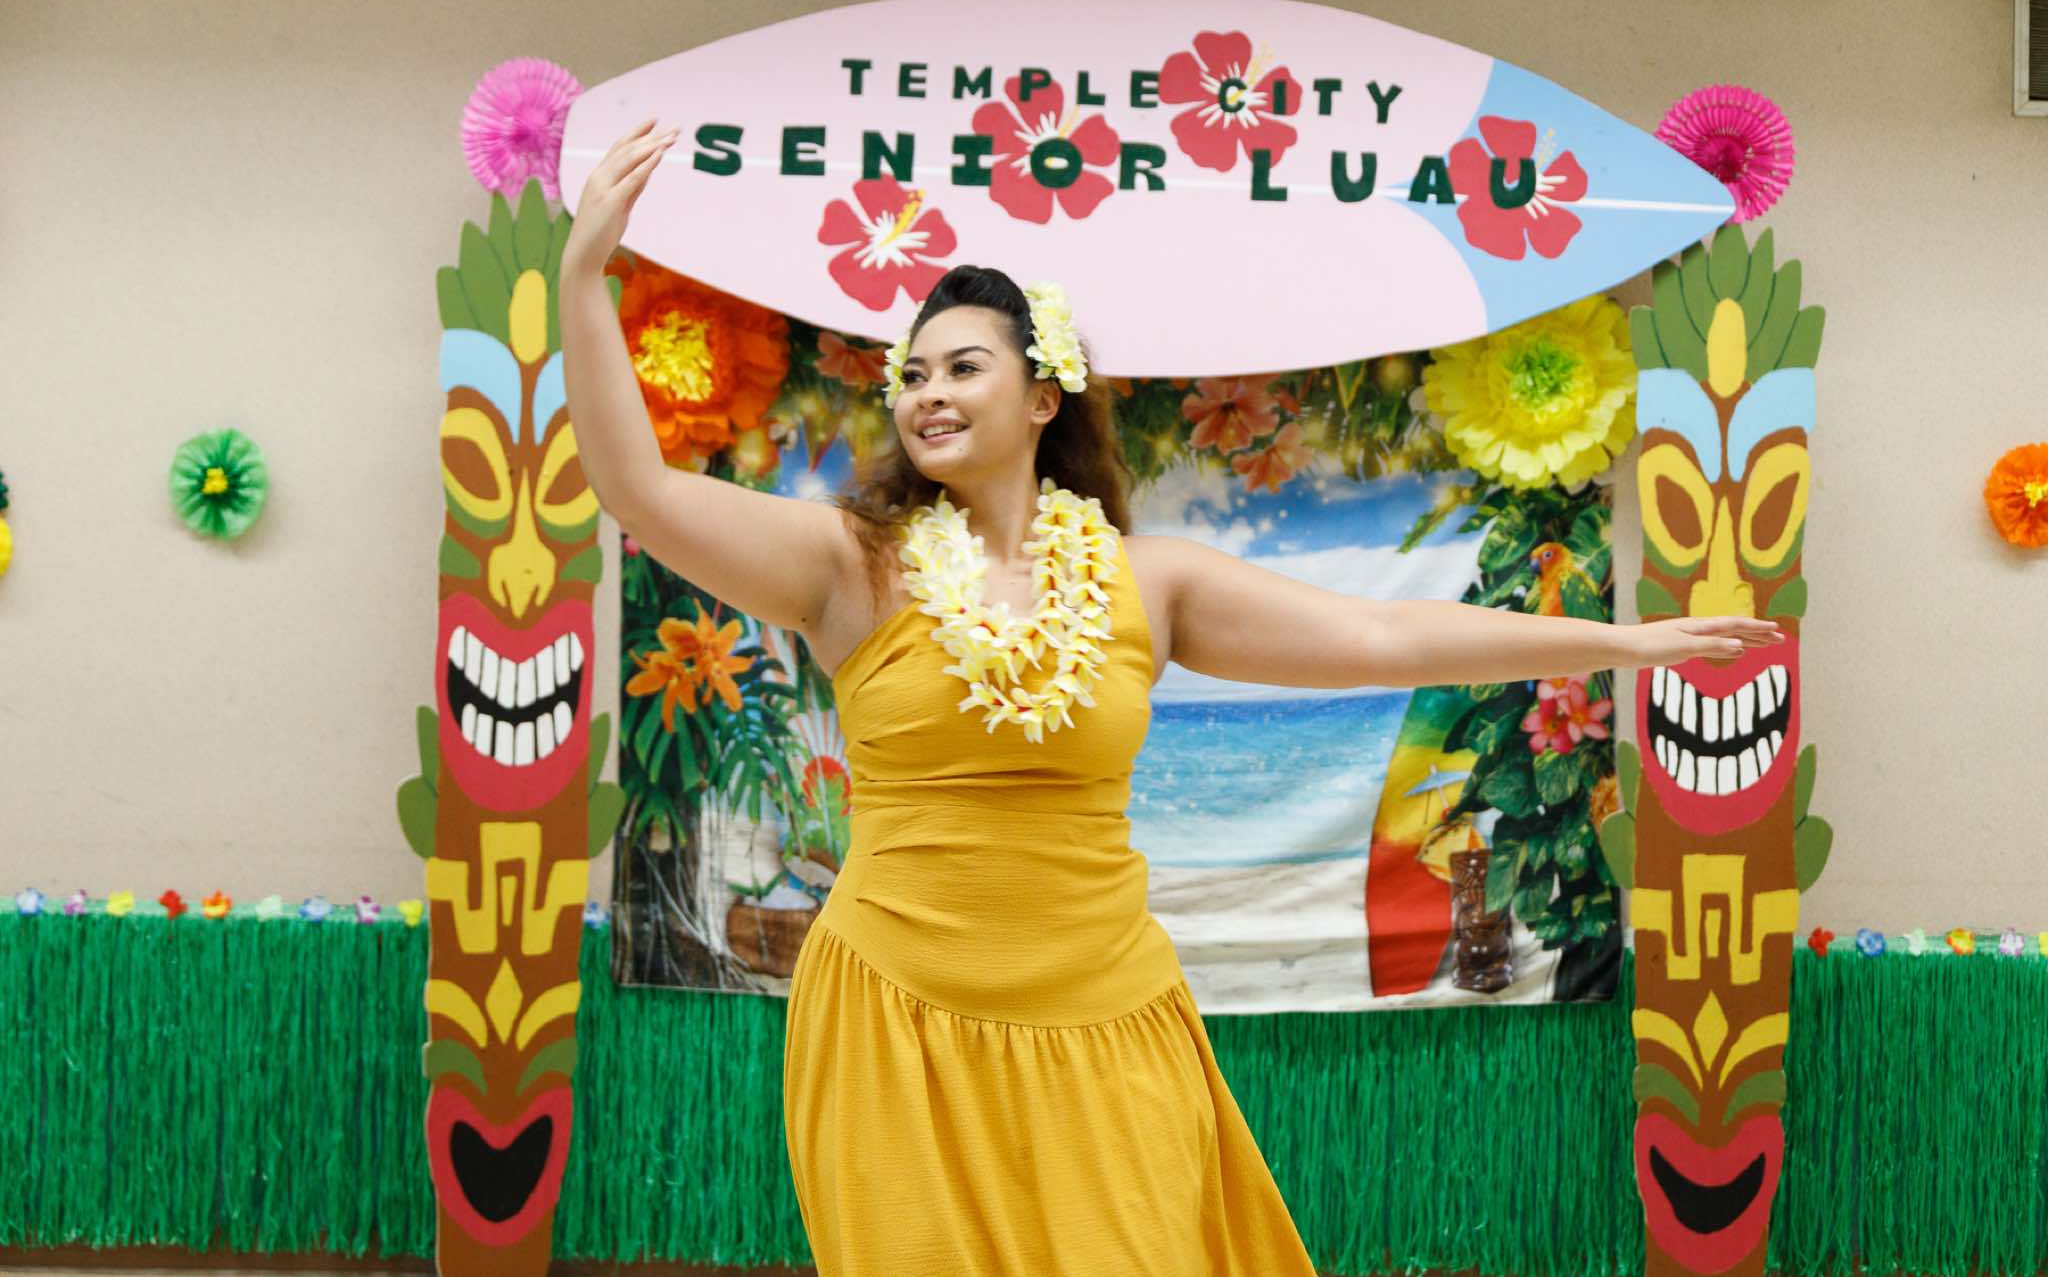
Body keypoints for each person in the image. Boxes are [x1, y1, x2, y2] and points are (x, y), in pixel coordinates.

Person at [560, 120, 1783, 1276]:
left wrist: (1621, 643)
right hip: (898, 1014)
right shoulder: (850, 565)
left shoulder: (1146, 582)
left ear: (1042, 397)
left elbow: (1381, 635)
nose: (927, 391)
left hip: (1106, 1012)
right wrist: (582, 279)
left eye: (963, 367)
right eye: (911, 373)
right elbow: (639, 492)